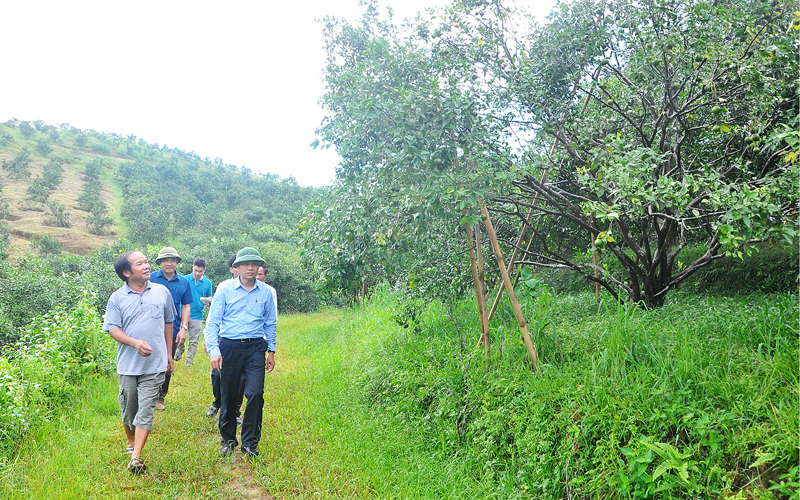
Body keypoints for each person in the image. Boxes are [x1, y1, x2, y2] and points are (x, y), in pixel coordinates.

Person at [102, 251, 175, 474]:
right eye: (139, 263)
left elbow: (168, 323)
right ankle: (130, 440)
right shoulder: (117, 298)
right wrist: (134, 343)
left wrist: (169, 355)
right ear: (126, 272)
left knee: (146, 409)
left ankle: (136, 457)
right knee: (129, 407)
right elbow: (112, 329)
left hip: (155, 365)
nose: (146, 266)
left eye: (146, 261)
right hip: (128, 365)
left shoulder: (162, 292)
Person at [204, 247, 277, 458]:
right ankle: (228, 439)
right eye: (246, 264)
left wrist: (271, 351)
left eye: (255, 264)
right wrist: (215, 351)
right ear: (237, 267)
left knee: (255, 393)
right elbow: (213, 323)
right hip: (229, 347)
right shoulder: (225, 289)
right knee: (229, 395)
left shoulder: (266, 292)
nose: (251, 268)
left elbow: (270, 324)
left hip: (255, 347)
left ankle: (250, 442)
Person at [150, 246, 192, 410]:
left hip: (172, 329)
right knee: (150, 360)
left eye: (172, 260)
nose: (169, 263)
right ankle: (148, 395)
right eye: (165, 260)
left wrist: (184, 328)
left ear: (177, 262)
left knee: (168, 363)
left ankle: (160, 397)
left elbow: (186, 305)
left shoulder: (183, 282)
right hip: (151, 328)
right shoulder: (150, 278)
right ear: (160, 262)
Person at [205, 253, 238, 417]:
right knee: (217, 374)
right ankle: (217, 402)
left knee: (240, 378)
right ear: (232, 269)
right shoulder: (224, 288)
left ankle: (235, 410)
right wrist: (209, 340)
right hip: (222, 338)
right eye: (238, 265)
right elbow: (214, 318)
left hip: (242, 341)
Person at [181, 258, 213, 367]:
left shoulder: (207, 283)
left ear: (204, 270)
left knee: (193, 341)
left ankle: (189, 363)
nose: (197, 273)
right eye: (195, 270)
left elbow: (209, 296)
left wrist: (209, 301)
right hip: (183, 313)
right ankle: (180, 349)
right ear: (192, 267)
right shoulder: (184, 280)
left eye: (200, 271)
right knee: (179, 337)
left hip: (197, 315)